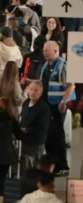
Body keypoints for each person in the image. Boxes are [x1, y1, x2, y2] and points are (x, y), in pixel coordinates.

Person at [37, 41, 72, 175]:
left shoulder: (63, 65)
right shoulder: (46, 65)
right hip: (46, 105)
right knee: (49, 136)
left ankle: (62, 166)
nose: (44, 53)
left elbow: (71, 85)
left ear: (56, 51)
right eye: (44, 50)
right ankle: (51, 165)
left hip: (57, 106)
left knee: (57, 135)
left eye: (47, 51)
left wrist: (63, 102)